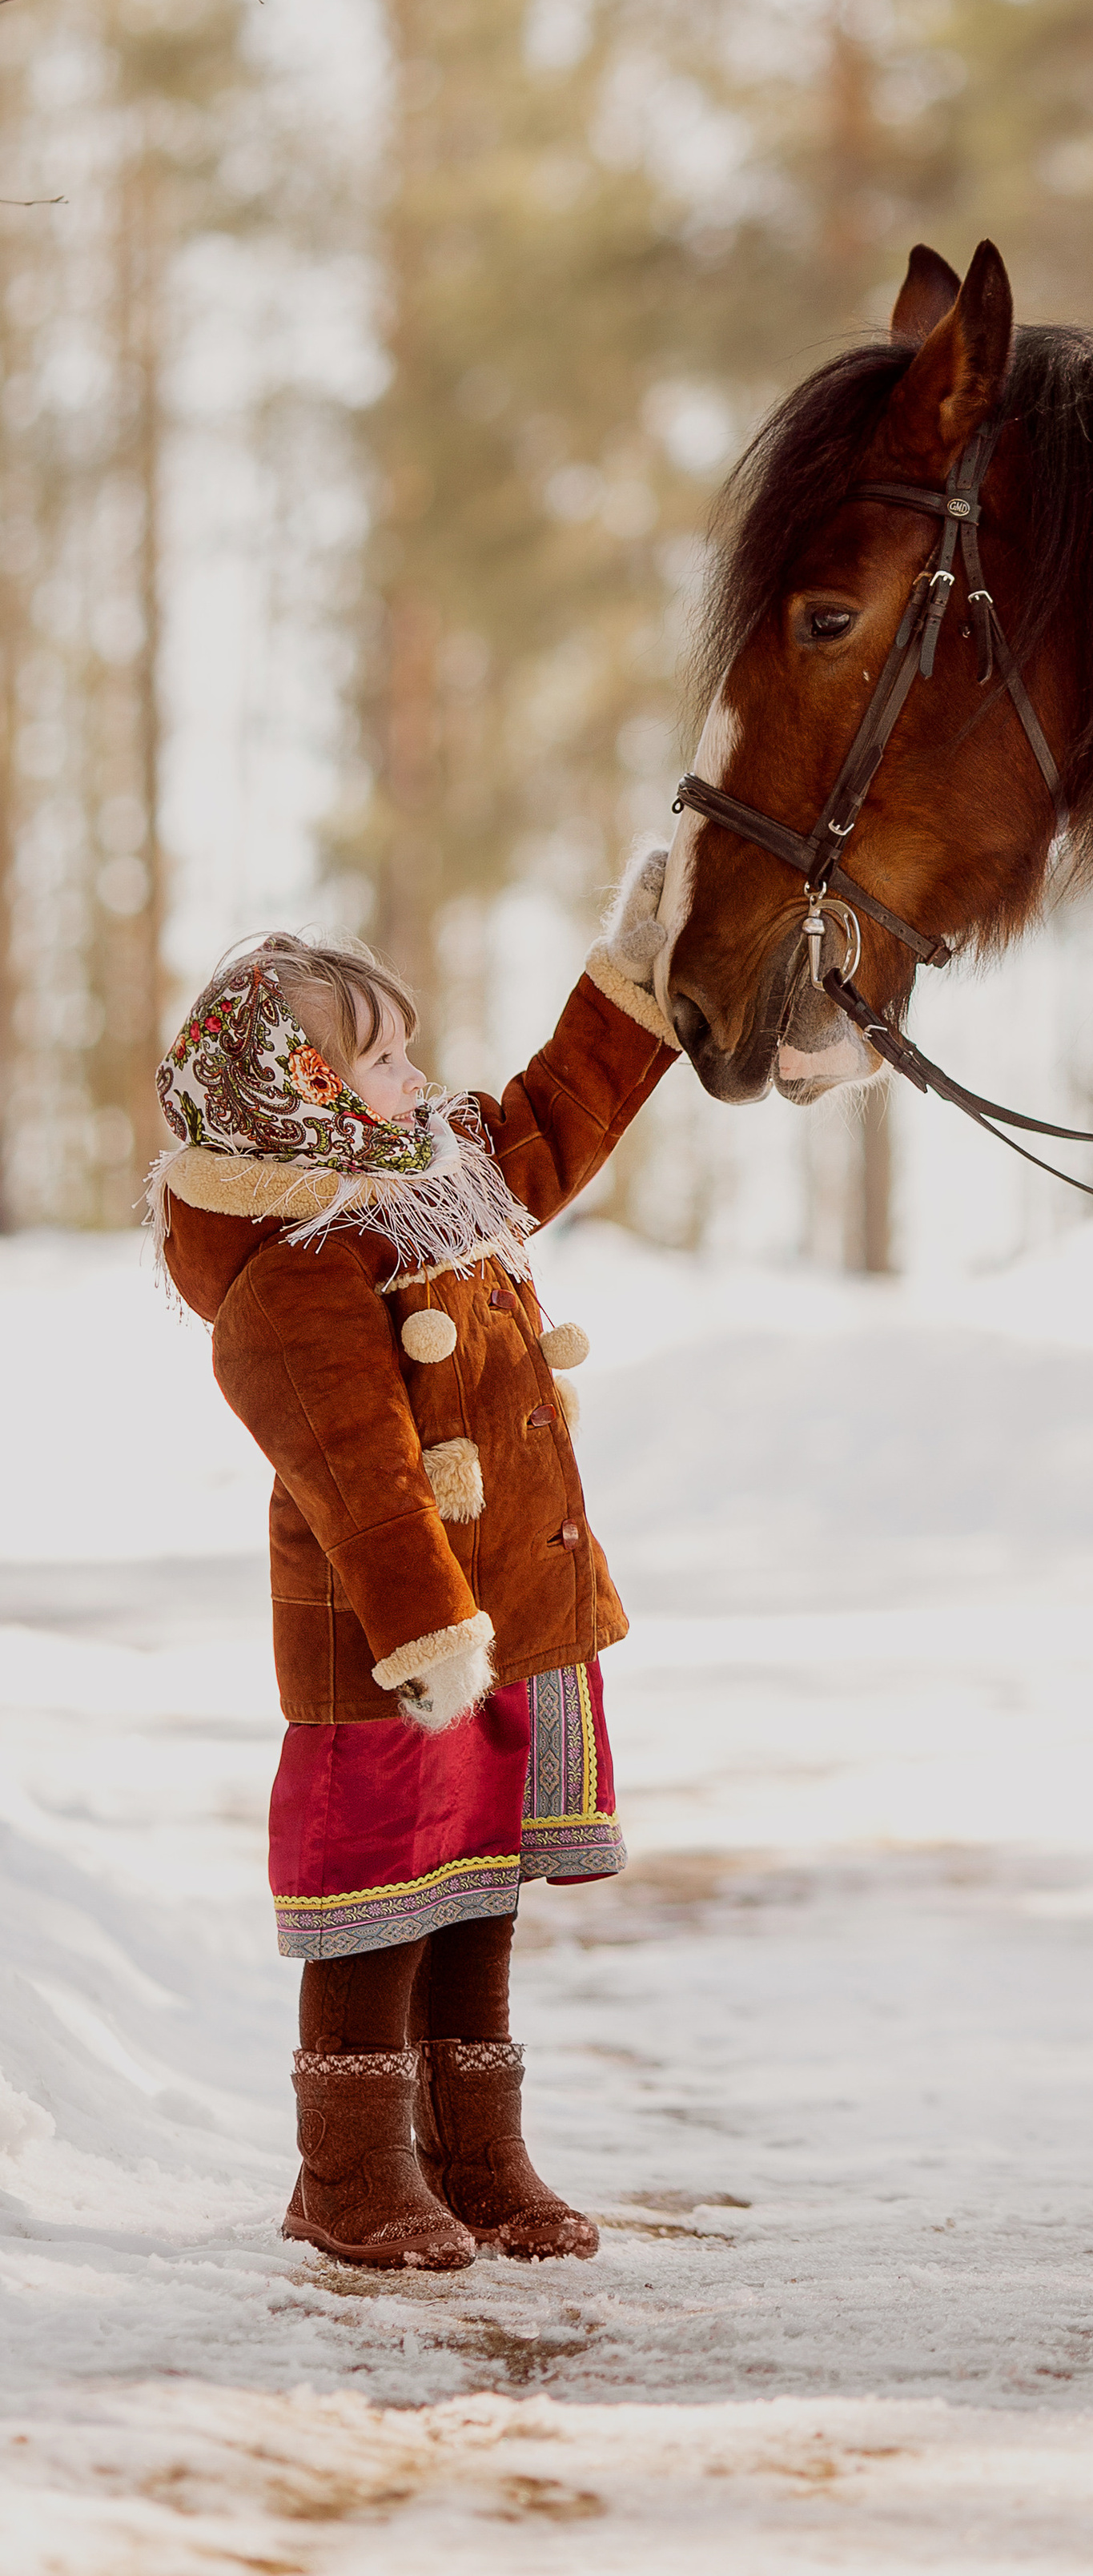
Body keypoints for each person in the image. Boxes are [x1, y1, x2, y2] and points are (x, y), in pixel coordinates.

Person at [149, 838, 677, 2272]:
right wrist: (428, 1633)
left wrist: (638, 982)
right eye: (377, 1062)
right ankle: (351, 2176)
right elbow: (362, 1478)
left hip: (507, 1609)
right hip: (396, 1647)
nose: (413, 1080)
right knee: (377, 1911)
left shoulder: (433, 1180)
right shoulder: (300, 1269)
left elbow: (555, 1120)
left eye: (404, 1051)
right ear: (298, 1093)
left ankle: (479, 2162)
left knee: (480, 1890)